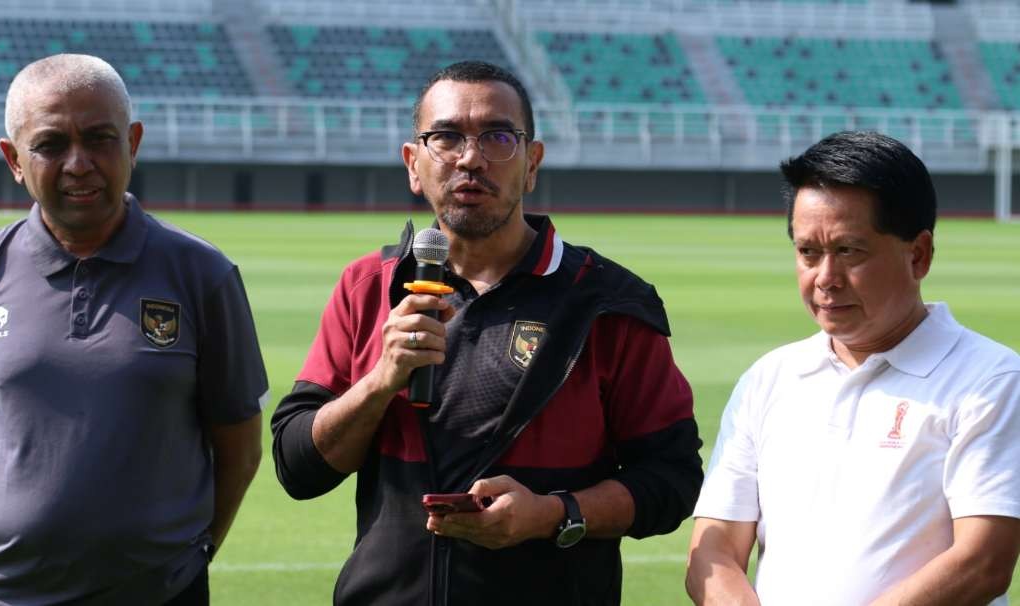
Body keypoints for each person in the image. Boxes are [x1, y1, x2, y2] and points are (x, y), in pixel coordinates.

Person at [271, 60, 702, 605]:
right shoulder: (368, 286)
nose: (471, 158)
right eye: (446, 137)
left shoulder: (607, 303)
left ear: (531, 163)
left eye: (498, 136)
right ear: (413, 163)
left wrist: (554, 514)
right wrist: (380, 382)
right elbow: (297, 467)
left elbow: (673, 480)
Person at [0, 54, 268, 604]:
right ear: (13, 159)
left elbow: (240, 449)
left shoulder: (202, 275)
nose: (78, 163)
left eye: (99, 138)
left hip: (158, 593)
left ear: (133, 142)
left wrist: (186, 553)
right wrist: (13, 525)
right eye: (49, 145)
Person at [686, 131, 1020, 605]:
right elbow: (714, 543)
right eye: (808, 252)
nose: (825, 278)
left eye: (848, 251)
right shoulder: (771, 377)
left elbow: (984, 559)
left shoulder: (990, 380)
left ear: (918, 255)